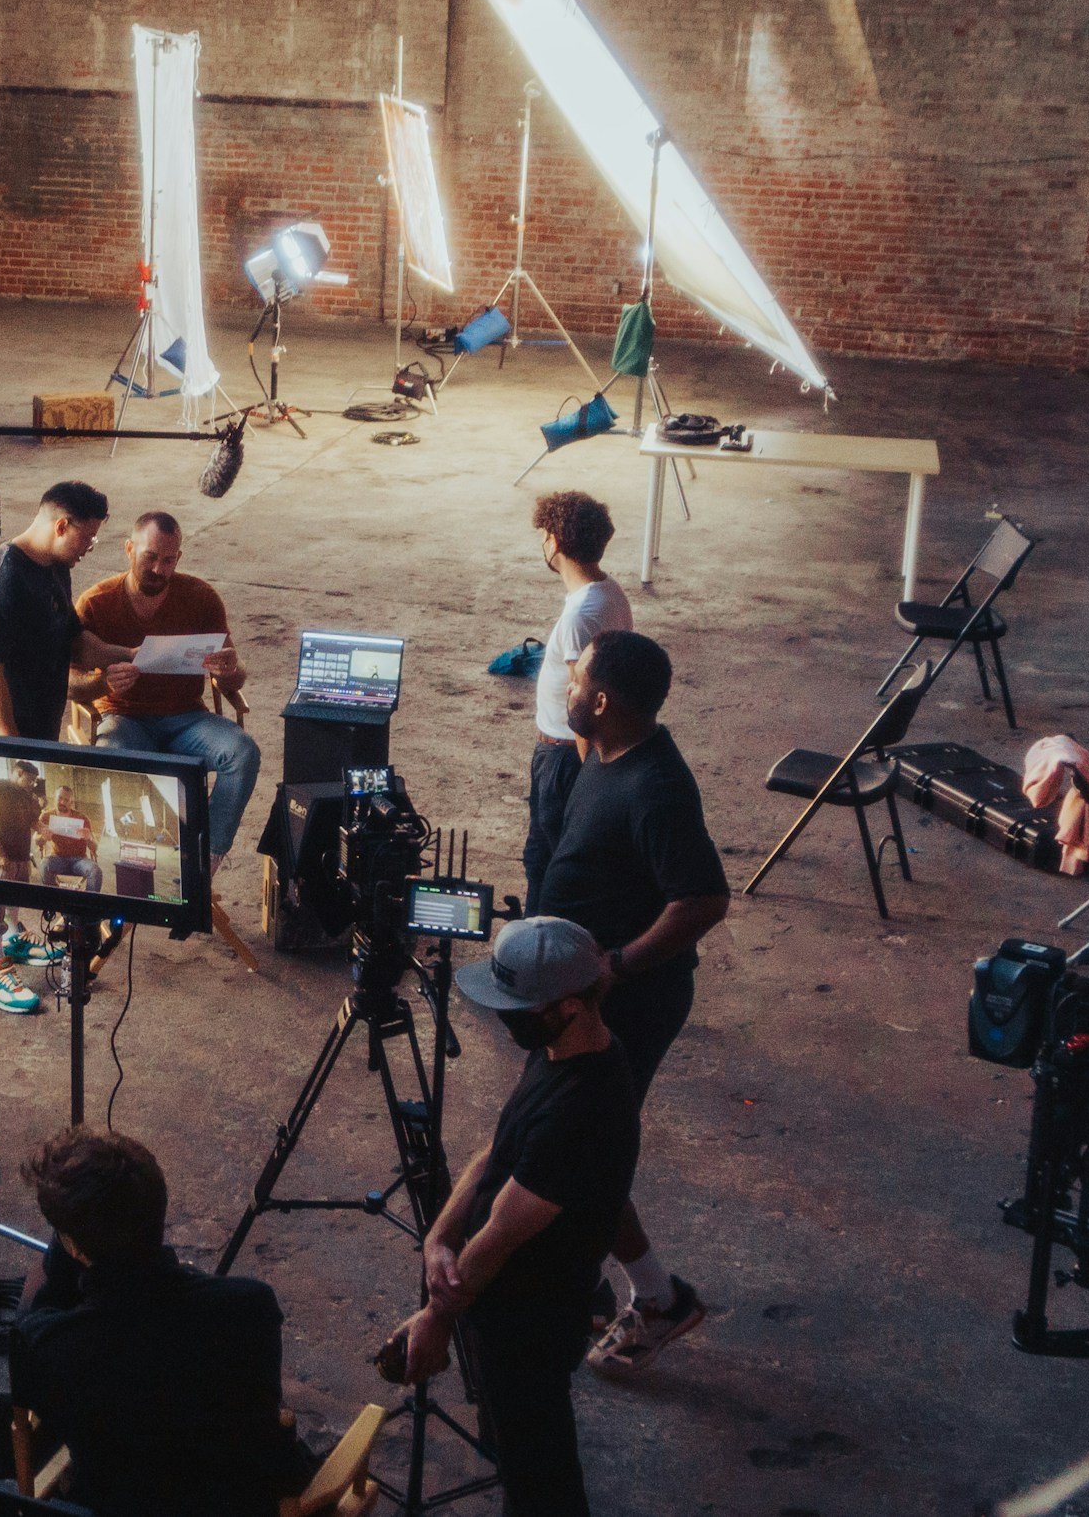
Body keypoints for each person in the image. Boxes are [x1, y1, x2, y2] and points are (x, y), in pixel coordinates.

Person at [388, 918, 641, 1517]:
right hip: (498, 1298)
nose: (505, 1020)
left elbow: (500, 1235)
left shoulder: (580, 1114)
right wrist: (438, 1237)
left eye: (518, 1007)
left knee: (541, 1472)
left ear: (572, 1005)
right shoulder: (561, 1048)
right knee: (515, 1442)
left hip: (531, 1314)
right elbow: (493, 1154)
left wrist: (435, 1317)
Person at [532, 629, 729, 1371]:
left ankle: (657, 1299)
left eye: (576, 679)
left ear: (604, 700)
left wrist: (616, 964)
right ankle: (601, 1284)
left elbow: (704, 899)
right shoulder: (607, 751)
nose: (568, 688)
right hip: (579, 997)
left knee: (580, 1157)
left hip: (625, 1009)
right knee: (570, 1150)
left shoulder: (658, 787)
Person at [10, 1129, 315, 1517]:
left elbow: (32, 1313)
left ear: (72, 1246)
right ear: (159, 1210)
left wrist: (69, 1237)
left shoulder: (48, 1344)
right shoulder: (248, 1307)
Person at [0, 482, 138, 1015]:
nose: (89, 547)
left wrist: (130, 655)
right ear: (60, 525)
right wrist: (12, 748)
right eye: (87, 538)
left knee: (22, 852)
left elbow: (76, 642)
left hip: (29, 739)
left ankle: (8, 933)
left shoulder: (53, 568)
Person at [72, 512, 262, 884]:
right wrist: (103, 685)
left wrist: (230, 671)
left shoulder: (200, 597)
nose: (159, 568)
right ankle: (136, 865)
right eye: (149, 557)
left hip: (186, 717)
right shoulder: (97, 602)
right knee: (114, 760)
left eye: (169, 560)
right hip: (124, 718)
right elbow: (68, 686)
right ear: (128, 549)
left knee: (243, 753)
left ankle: (202, 861)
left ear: (179, 558)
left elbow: (232, 679)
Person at [522, 492, 631, 902]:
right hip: (570, 756)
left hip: (565, 758)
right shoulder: (610, 592)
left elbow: (582, 709)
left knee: (547, 865)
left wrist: (593, 780)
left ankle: (538, 951)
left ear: (554, 541)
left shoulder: (577, 618)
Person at [36, 783, 103, 892]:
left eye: (66, 800)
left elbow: (95, 847)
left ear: (71, 802)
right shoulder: (46, 816)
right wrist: (43, 838)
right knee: (44, 865)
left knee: (96, 871)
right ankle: (56, 899)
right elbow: (36, 840)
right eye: (60, 798)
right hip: (57, 858)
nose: (62, 802)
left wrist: (89, 838)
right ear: (54, 798)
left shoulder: (82, 818)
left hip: (80, 860)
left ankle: (89, 905)